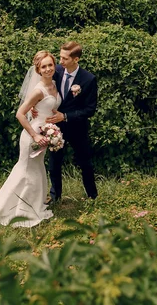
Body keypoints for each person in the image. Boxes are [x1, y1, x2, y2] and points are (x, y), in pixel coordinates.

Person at [0, 50, 60, 227]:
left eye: (50, 65)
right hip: (33, 135)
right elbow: (20, 114)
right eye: (44, 66)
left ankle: (33, 204)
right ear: (38, 70)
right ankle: (16, 210)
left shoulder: (54, 84)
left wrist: (51, 129)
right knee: (26, 170)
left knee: (37, 169)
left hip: (46, 133)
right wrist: (35, 134)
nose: (48, 69)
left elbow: (50, 107)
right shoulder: (38, 90)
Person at [45, 41, 98, 203]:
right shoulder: (57, 71)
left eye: (64, 58)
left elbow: (90, 109)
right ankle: (55, 197)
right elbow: (43, 88)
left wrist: (66, 116)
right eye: (60, 57)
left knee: (85, 163)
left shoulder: (88, 79)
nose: (60, 62)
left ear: (76, 59)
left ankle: (92, 196)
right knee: (54, 163)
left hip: (77, 128)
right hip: (55, 127)